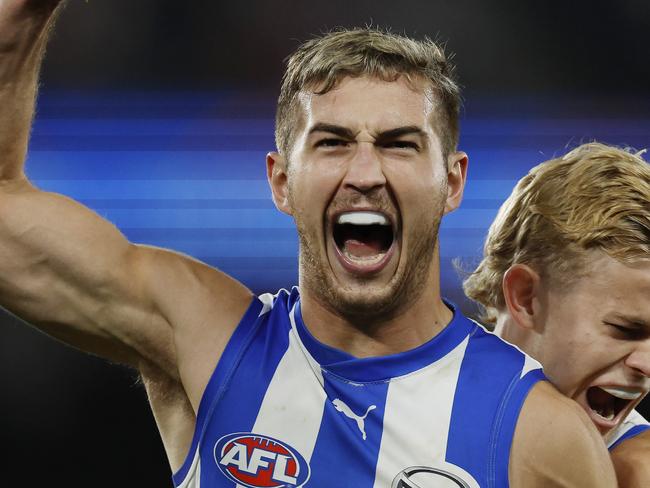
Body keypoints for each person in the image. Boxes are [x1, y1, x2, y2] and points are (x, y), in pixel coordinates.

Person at [0, 2, 616, 487]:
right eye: (332, 143)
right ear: (281, 181)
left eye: (400, 143)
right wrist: (24, 14)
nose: (365, 173)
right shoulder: (205, 340)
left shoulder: (540, 436)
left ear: (452, 182)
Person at [463, 142, 650, 486]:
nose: (647, 365)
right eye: (624, 328)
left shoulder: (638, 471)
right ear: (526, 297)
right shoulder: (386, 398)